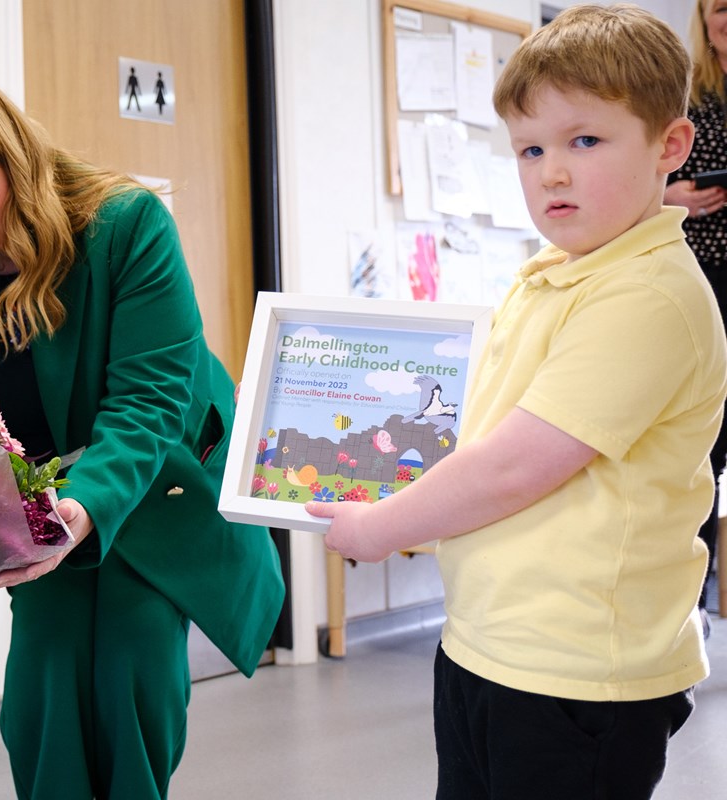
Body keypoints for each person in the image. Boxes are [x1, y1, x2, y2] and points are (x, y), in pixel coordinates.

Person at [306, 6, 726, 799]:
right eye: (530, 150)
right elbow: (482, 426)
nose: (551, 172)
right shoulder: (558, 274)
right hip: (487, 644)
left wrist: (381, 524)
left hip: (579, 677)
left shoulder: (649, 295)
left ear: (670, 147)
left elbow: (515, 467)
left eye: (585, 141)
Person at [0, 71, 284, 799]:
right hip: (33, 519)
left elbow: (150, 402)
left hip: (149, 491)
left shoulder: (124, 222)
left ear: (14, 162)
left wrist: (82, 508)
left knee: (134, 691)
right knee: (40, 706)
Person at [664, 0, 727, 637]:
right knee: (704, 452)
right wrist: (673, 195)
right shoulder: (688, 91)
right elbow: (637, 175)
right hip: (704, 274)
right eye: (717, 9)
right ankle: (692, 602)